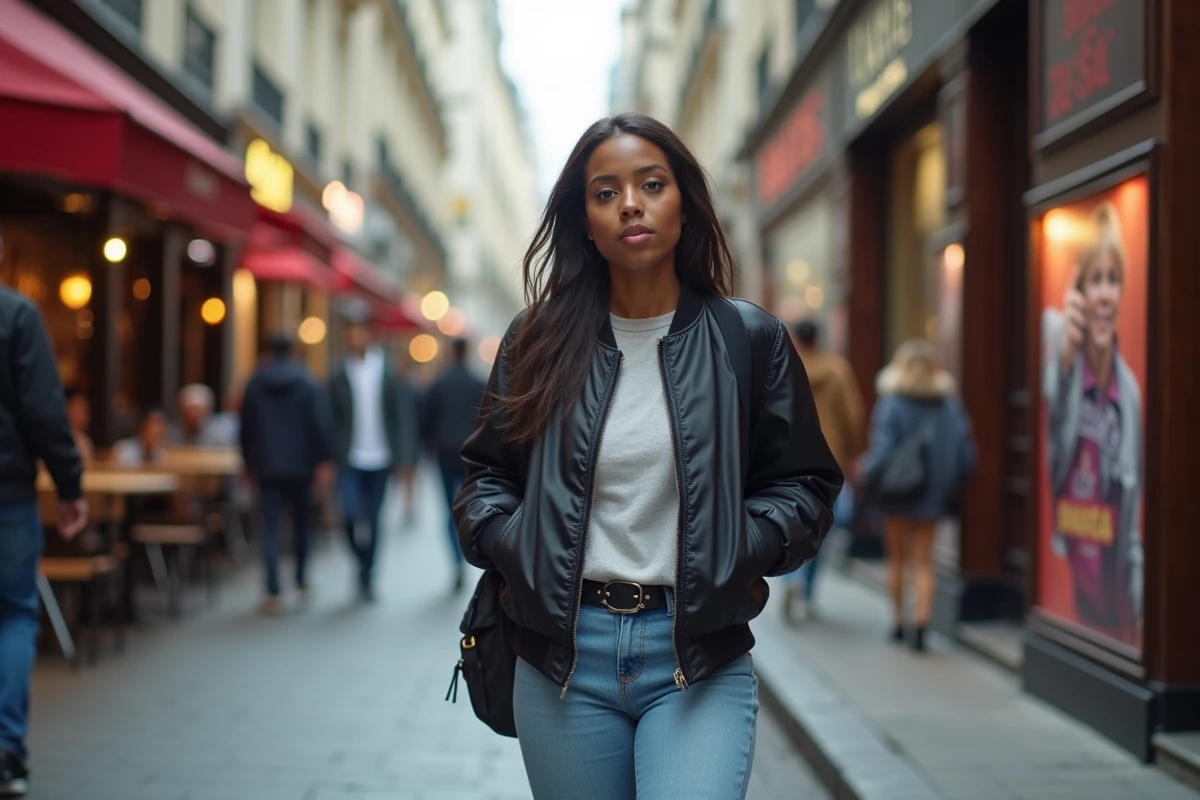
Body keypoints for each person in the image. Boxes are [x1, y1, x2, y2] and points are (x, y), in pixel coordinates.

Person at [454, 113, 841, 799]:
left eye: (651, 184)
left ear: (684, 204)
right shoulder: (536, 340)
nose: (629, 203)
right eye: (605, 192)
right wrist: (517, 544)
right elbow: (486, 475)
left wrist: (743, 548)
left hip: (697, 656)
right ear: (587, 222)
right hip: (563, 658)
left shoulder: (747, 339)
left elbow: (803, 482)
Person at [0, 283, 88, 796]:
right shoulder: (15, 313)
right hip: (8, 491)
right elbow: (43, 408)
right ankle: (7, 750)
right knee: (13, 612)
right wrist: (69, 483)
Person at [1043, 202, 1142, 646]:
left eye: (1113, 279)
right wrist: (1064, 360)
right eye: (1095, 279)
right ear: (1080, 291)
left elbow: (1134, 515)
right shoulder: (1057, 351)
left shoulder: (1131, 395)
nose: (1104, 293)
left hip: (1114, 599)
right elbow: (1051, 437)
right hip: (1068, 582)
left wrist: (1139, 606)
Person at [859, 340, 975, 652]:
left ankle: (898, 623)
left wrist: (864, 470)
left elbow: (881, 452)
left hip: (896, 493)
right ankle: (922, 624)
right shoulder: (949, 405)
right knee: (924, 562)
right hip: (933, 495)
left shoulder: (892, 404)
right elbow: (966, 454)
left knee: (896, 560)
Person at [240, 334, 333, 615]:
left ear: (268, 351)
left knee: (270, 527)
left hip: (267, 464)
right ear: (293, 351)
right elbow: (319, 424)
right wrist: (323, 460)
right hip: (300, 464)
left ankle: (272, 590)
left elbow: (246, 427)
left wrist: (248, 463)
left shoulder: (256, 382)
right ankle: (301, 579)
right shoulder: (306, 382)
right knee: (302, 523)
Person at [328, 307, 416, 601]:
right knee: (350, 516)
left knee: (374, 520)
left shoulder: (388, 371)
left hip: (381, 458)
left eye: (357, 332)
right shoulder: (339, 372)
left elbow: (402, 415)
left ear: (369, 334)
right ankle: (361, 559)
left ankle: (367, 576)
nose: (352, 337)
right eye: (348, 333)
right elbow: (331, 418)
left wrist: (404, 457)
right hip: (349, 458)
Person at [782, 320, 864, 623]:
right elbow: (852, 416)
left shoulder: (785, 367)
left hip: (787, 460)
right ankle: (807, 591)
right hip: (828, 462)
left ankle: (792, 580)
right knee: (819, 531)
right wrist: (853, 453)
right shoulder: (837, 370)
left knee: (789, 526)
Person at [421, 338, 486, 592]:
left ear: (451, 352)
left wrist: (427, 446)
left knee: (449, 507)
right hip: (471, 454)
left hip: (445, 452)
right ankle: (469, 549)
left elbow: (426, 420)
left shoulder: (439, 383)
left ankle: (456, 560)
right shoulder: (478, 382)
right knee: (469, 504)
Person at [64, 389, 95, 469]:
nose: (84, 416)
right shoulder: (57, 439)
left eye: (85, 411)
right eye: (79, 410)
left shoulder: (85, 441)